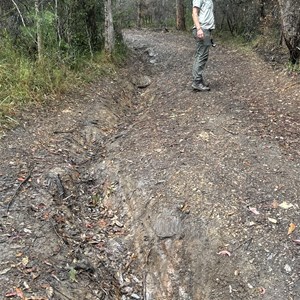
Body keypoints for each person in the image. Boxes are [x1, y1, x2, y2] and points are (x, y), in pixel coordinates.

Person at [191, 0, 215, 91]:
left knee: (200, 56)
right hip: (202, 29)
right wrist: (199, 29)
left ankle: (198, 80)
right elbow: (194, 12)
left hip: (206, 29)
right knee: (202, 56)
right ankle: (197, 82)